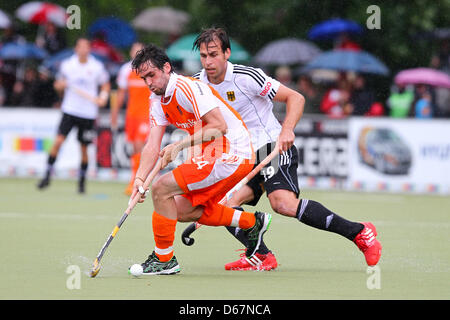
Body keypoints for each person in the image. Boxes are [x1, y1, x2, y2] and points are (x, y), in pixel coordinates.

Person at [183, 27, 382, 270]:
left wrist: (287, 129)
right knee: (224, 206)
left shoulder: (247, 77)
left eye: (213, 54)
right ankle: (261, 255)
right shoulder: (196, 85)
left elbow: (295, 98)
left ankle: (360, 233)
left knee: (283, 204)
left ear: (227, 53)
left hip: (270, 147)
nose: (208, 62)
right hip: (239, 156)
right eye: (204, 56)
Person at [129, 43, 272, 275]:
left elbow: (219, 126)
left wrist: (179, 145)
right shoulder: (156, 98)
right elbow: (152, 144)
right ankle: (252, 223)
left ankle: (164, 259)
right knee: (179, 211)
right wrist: (139, 179)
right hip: (213, 153)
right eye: (144, 78)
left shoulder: (186, 88)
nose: (148, 83)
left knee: (161, 188)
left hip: (231, 151)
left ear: (166, 68)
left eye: (151, 75)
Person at [37, 37, 110, 193]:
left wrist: (103, 97)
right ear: (76, 49)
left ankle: (82, 182)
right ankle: (46, 176)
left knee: (83, 149)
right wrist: (60, 86)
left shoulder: (96, 67)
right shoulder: (67, 65)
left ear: (89, 49)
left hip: (88, 114)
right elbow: (58, 85)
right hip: (69, 110)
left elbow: (105, 84)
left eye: (86, 47)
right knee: (57, 142)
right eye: (81, 47)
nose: (83, 49)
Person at [111, 42, 151, 195]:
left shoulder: (149, 69)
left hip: (145, 114)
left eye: (140, 51)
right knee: (134, 148)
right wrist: (114, 113)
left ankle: (136, 180)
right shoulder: (125, 70)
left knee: (140, 144)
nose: (137, 53)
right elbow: (121, 93)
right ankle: (137, 178)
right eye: (134, 51)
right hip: (131, 115)